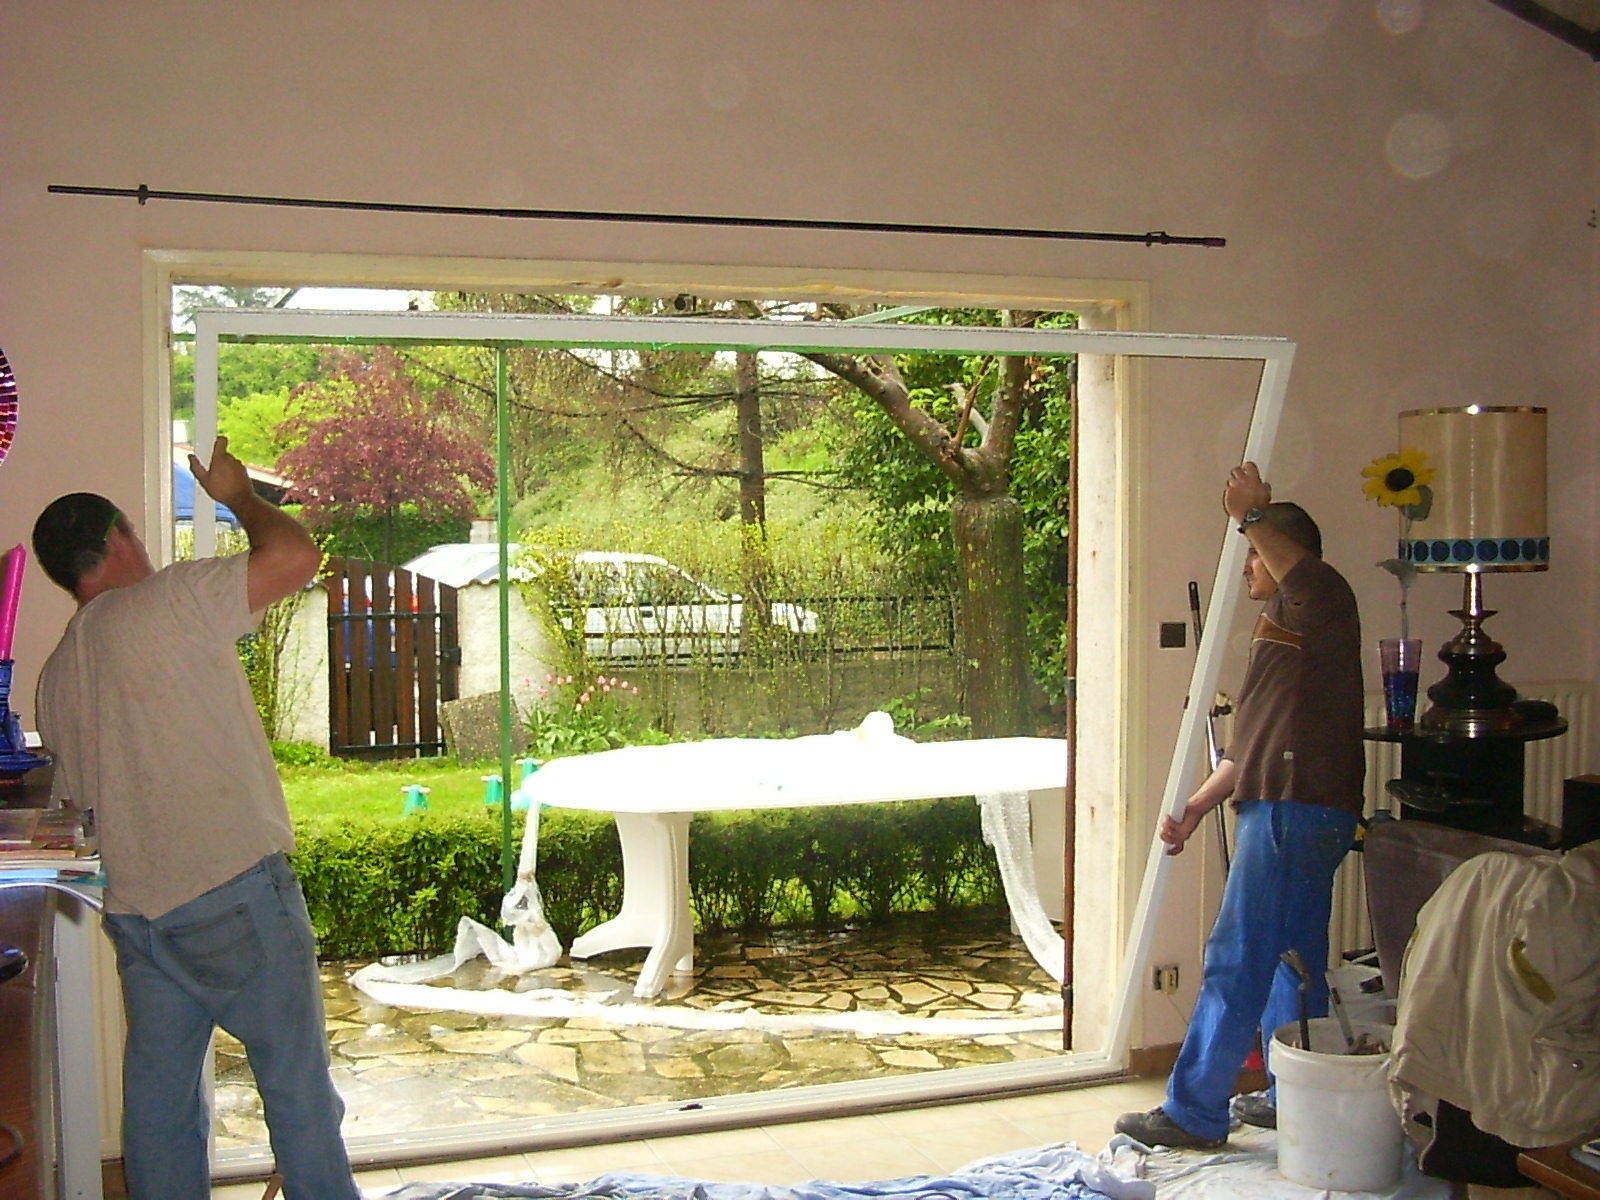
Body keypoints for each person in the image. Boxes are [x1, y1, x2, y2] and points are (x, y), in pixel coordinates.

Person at [31, 438, 359, 1200]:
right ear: (116, 540)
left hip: (143, 920)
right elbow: (296, 556)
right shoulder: (167, 601)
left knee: (161, 1107)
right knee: (300, 1093)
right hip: (233, 897)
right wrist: (240, 498)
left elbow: (80, 805)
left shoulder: (58, 673)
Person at [1116, 461, 1365, 1150]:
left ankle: (1194, 1111)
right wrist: (1196, 807)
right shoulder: (1284, 632)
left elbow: (1298, 564)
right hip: (1298, 807)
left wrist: (1252, 513)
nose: (1249, 564)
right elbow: (1247, 749)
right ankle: (1295, 1098)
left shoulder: (1322, 593)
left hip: (1293, 810)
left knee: (1236, 955)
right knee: (1294, 958)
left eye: (1256, 554)